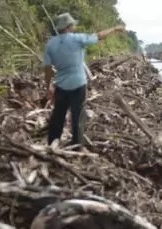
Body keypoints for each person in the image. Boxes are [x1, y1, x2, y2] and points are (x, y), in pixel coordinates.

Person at [42, 13, 126, 147]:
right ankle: (77, 145)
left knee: (58, 115)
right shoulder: (77, 39)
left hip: (61, 86)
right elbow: (98, 36)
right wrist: (115, 29)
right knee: (78, 116)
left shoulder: (50, 44)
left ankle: (52, 142)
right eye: (73, 25)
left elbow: (47, 69)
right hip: (78, 84)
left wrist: (48, 87)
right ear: (69, 26)